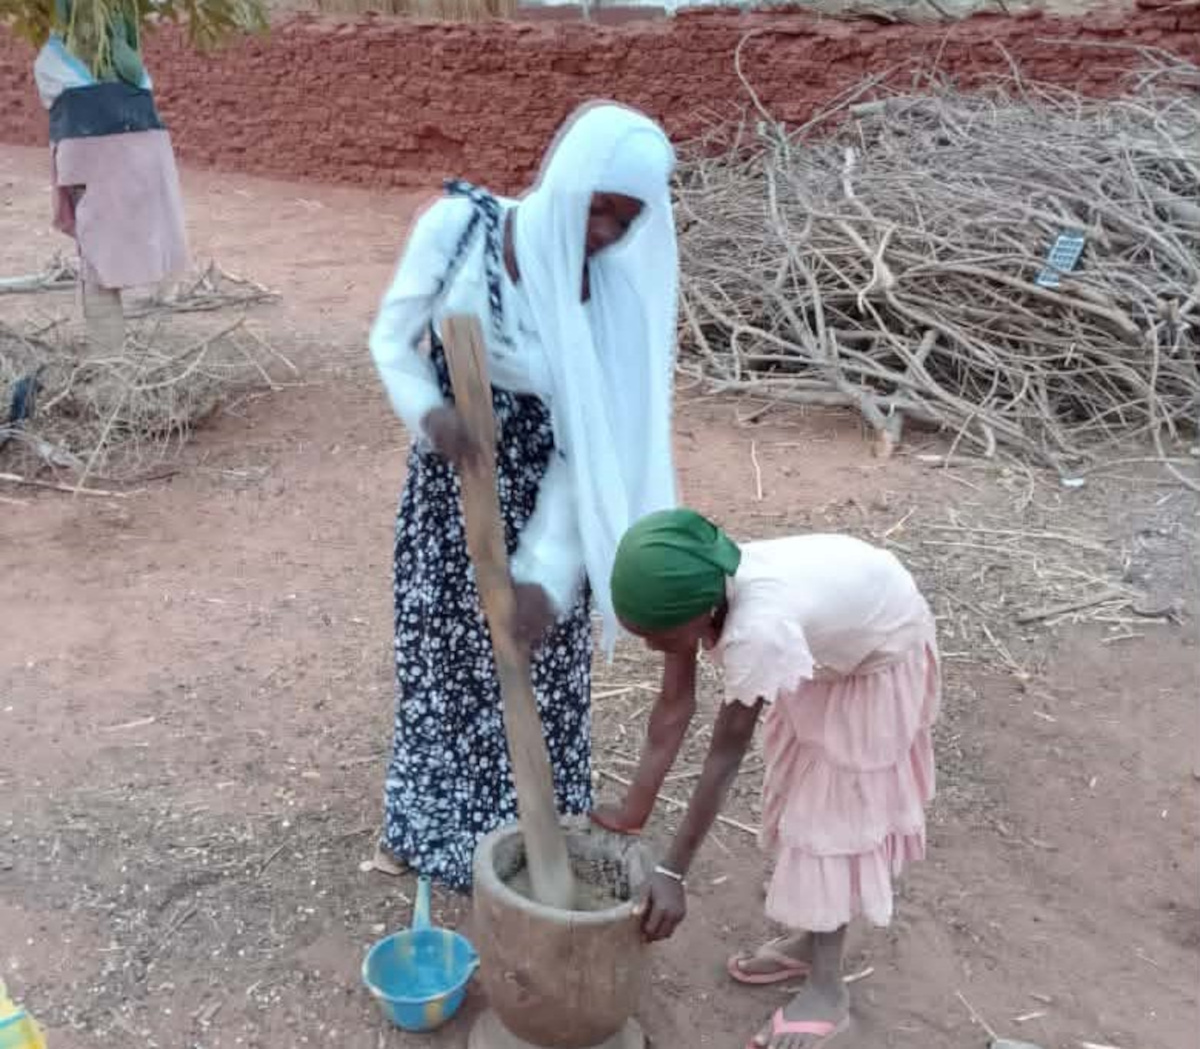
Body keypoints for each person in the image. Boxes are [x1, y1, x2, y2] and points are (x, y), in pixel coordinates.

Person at [368, 103, 679, 891]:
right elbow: (392, 335)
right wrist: (429, 413)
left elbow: (587, 453)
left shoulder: (602, 299)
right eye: (601, 206)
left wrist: (544, 574)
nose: (607, 231)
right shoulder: (461, 228)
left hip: (550, 503)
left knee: (530, 666)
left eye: (627, 219)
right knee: (444, 657)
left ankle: (529, 835)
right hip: (453, 488)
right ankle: (432, 827)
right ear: (569, 181)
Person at [595, 509, 939, 1049]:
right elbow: (674, 704)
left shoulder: (757, 629)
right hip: (835, 647)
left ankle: (828, 995)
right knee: (807, 804)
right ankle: (811, 944)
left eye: (657, 637)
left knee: (827, 823)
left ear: (699, 613)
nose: (651, 648)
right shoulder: (700, 585)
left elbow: (725, 755)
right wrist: (633, 809)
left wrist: (672, 872)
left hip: (877, 658)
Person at [33, 0, 188, 341]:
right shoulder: (60, 58)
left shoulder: (71, 59)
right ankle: (109, 354)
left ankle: (111, 350)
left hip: (118, 159)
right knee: (100, 244)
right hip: (105, 161)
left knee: (111, 241)